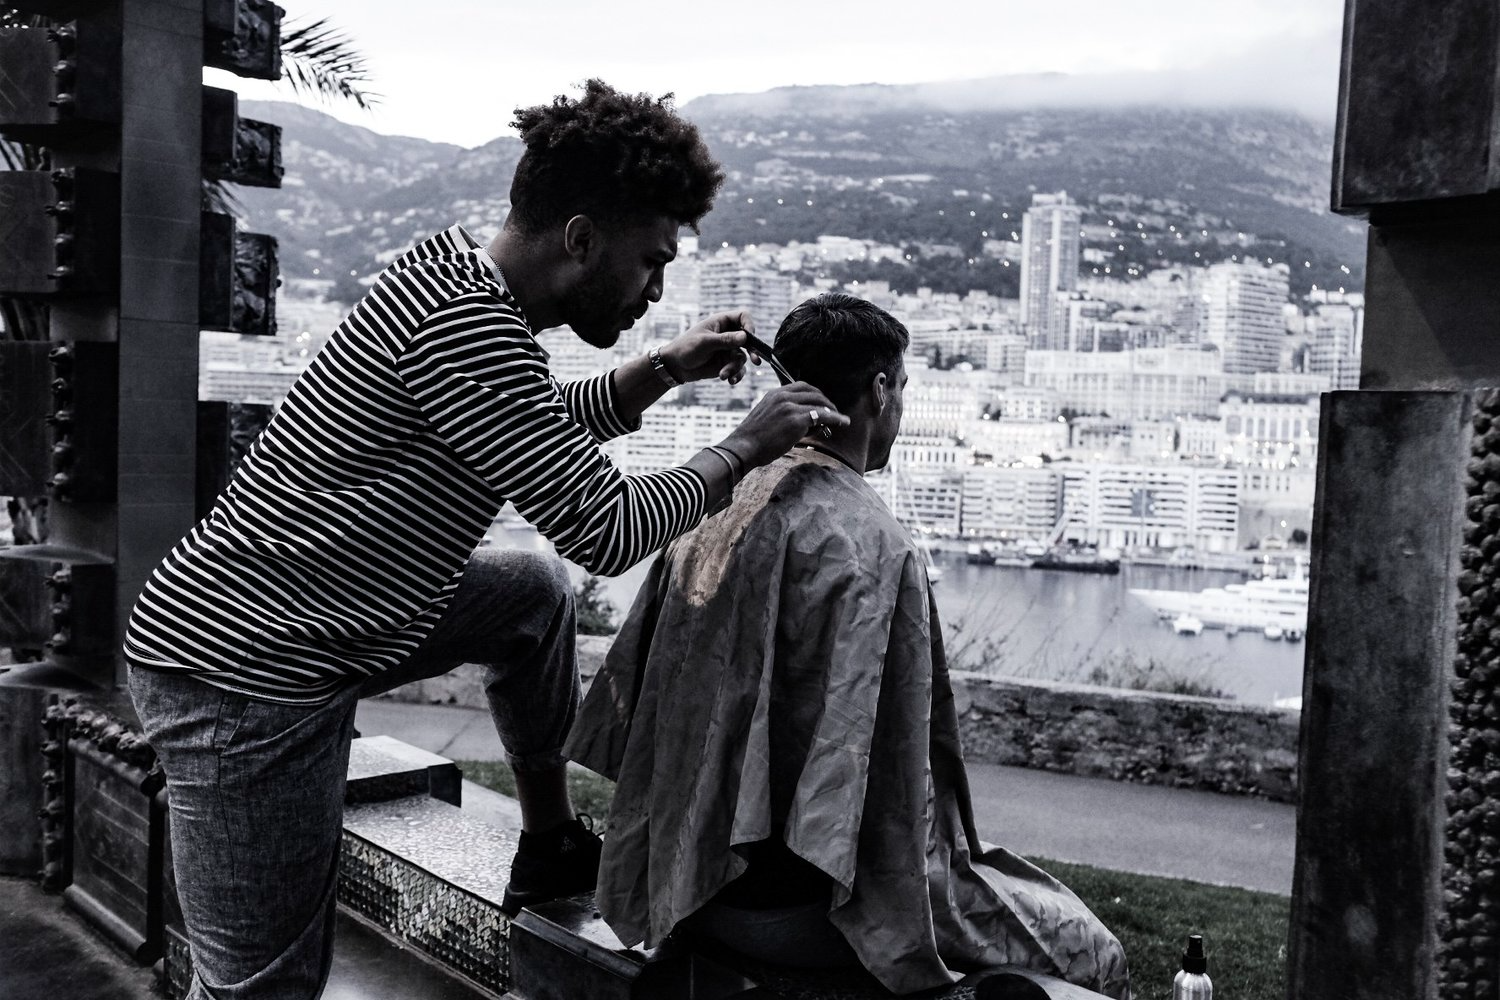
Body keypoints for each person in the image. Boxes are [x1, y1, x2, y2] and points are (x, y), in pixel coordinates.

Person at [123, 80, 849, 1000]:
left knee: (531, 593)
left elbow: (517, 426)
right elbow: (608, 527)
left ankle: (548, 841)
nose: (655, 289)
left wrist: (659, 370)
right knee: (262, 986)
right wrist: (747, 445)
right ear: (580, 239)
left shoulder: (457, 281)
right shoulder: (470, 327)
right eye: (650, 263)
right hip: (248, 675)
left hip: (325, 625)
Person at [567, 293, 1131, 998]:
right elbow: (891, 804)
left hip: (681, 887)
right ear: (880, 389)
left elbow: (628, 720)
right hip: (802, 915)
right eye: (903, 390)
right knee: (1095, 952)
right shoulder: (874, 545)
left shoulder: (709, 509)